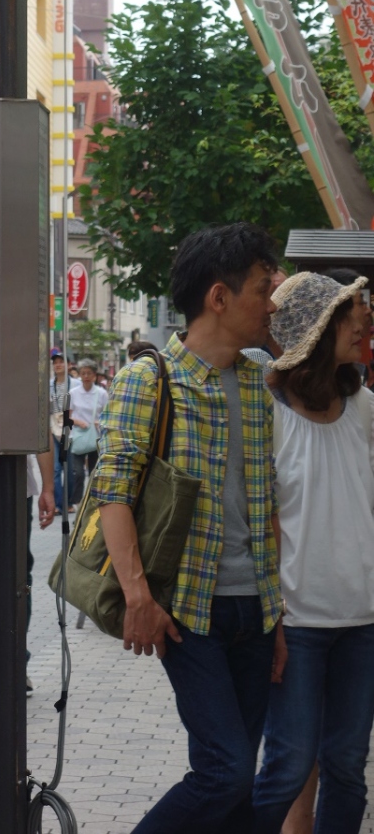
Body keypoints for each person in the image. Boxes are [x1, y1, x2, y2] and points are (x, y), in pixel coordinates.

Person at [92, 222, 283, 833]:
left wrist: (277, 615)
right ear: (219, 297)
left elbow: (266, 504)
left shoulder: (257, 382)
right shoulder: (149, 378)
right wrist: (138, 597)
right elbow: (112, 491)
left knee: (237, 787)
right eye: (263, 289)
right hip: (189, 610)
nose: (272, 304)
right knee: (225, 772)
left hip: (256, 609)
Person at [250, 272, 374, 834]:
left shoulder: (364, 407)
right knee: (287, 766)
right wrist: (269, 616)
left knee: (347, 767)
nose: (363, 321)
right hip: (295, 623)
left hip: (363, 621)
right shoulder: (267, 411)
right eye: (350, 313)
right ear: (318, 329)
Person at [50, 350, 81, 512]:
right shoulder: (49, 384)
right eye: (55, 362)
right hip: (53, 427)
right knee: (55, 469)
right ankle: (58, 503)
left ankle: (67, 502)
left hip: (70, 429)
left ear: (69, 365)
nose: (58, 365)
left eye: (61, 362)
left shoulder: (76, 384)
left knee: (69, 469)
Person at [69, 358, 108, 487]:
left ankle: (91, 496)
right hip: (78, 436)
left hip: (95, 436)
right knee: (78, 473)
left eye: (89, 373)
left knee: (94, 473)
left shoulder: (102, 393)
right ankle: (76, 497)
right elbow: (66, 417)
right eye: (83, 373)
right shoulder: (73, 393)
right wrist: (77, 422)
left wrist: (99, 422)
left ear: (94, 375)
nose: (86, 376)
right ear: (79, 375)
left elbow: (107, 415)